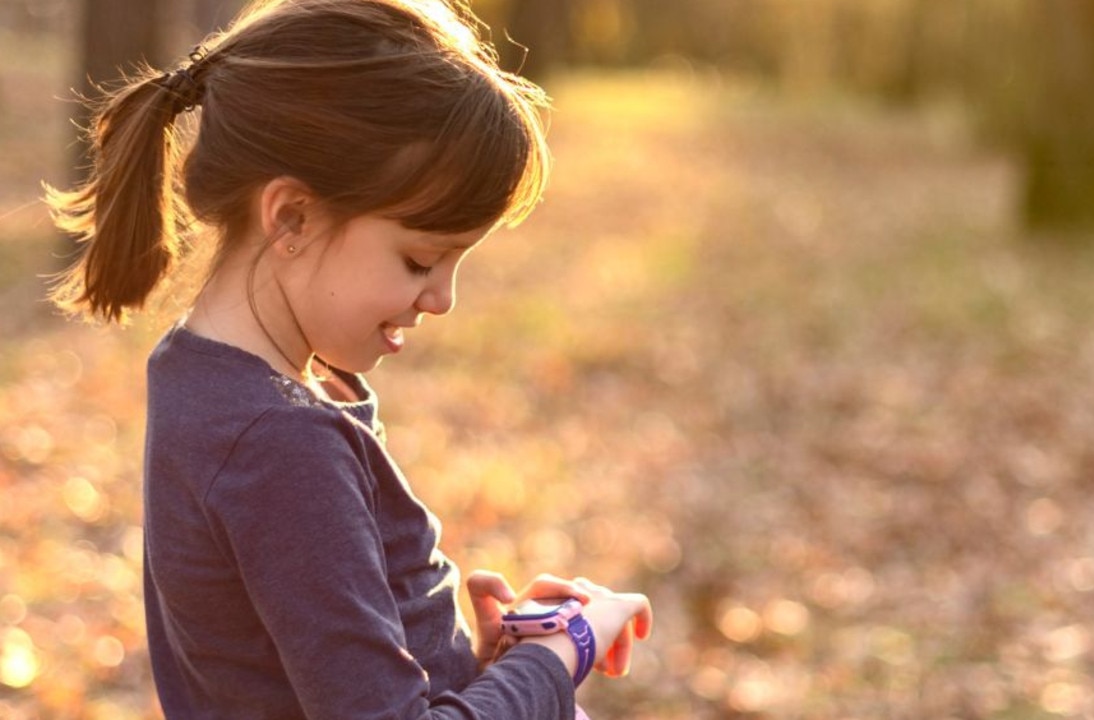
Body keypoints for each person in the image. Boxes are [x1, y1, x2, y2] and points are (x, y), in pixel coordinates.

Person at [44, 1, 653, 718]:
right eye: (420, 259)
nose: (442, 300)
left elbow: (293, 671)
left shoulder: (200, 372)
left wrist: (482, 672)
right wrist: (554, 663)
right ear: (292, 217)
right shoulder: (279, 445)